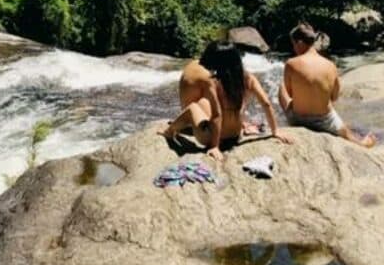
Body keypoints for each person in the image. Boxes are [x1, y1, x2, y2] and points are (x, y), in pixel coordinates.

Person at [159, 42, 293, 161]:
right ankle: (242, 125)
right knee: (234, 100)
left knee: (195, 106)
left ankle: (169, 132)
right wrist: (275, 131)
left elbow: (217, 115)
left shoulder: (213, 82)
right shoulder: (248, 78)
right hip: (235, 134)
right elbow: (266, 103)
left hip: (210, 138)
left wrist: (214, 146)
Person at [279, 22, 375, 148]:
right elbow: (334, 97)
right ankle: (362, 143)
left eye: (294, 44)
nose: (293, 49)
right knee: (346, 131)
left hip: (297, 119)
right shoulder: (331, 66)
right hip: (325, 121)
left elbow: (290, 94)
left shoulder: (291, 63)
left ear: (300, 43)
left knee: (281, 87)